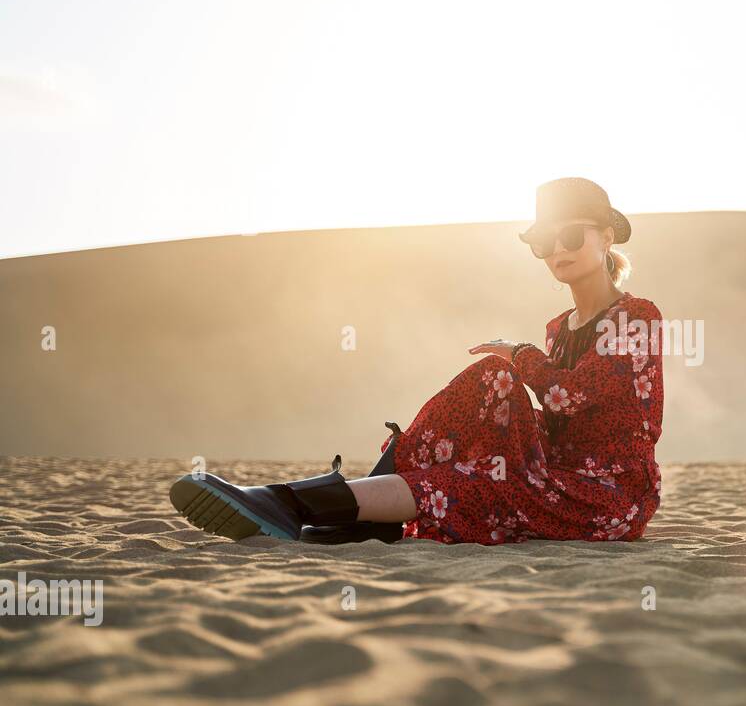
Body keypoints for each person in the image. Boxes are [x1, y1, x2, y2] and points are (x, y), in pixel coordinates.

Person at [169, 177, 664, 545]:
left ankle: (299, 503)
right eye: (544, 241)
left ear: (606, 238)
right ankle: (354, 507)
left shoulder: (637, 318)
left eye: (572, 237)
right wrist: (508, 379)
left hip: (607, 498)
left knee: (481, 484)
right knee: (492, 377)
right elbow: (555, 415)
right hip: (553, 473)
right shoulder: (560, 328)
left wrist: (520, 354)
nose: (557, 250)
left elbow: (569, 395)